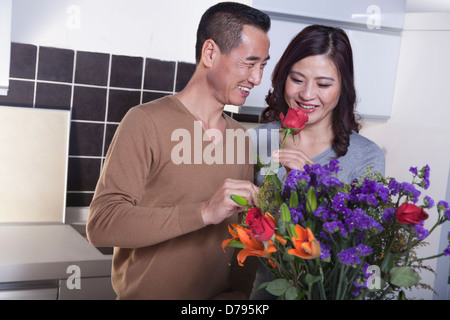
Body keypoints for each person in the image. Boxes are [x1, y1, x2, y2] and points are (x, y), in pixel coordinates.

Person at [87, 2, 271, 300]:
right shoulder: (145, 121)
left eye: (262, 65)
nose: (257, 78)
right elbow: (102, 224)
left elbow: (243, 234)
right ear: (210, 53)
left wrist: (238, 292)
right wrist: (203, 212)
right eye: (249, 63)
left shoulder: (241, 138)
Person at [250, 25, 385, 299]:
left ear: (343, 87)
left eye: (323, 84)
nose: (307, 94)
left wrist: (314, 181)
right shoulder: (258, 141)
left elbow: (364, 244)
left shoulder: (366, 156)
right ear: (281, 77)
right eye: (297, 80)